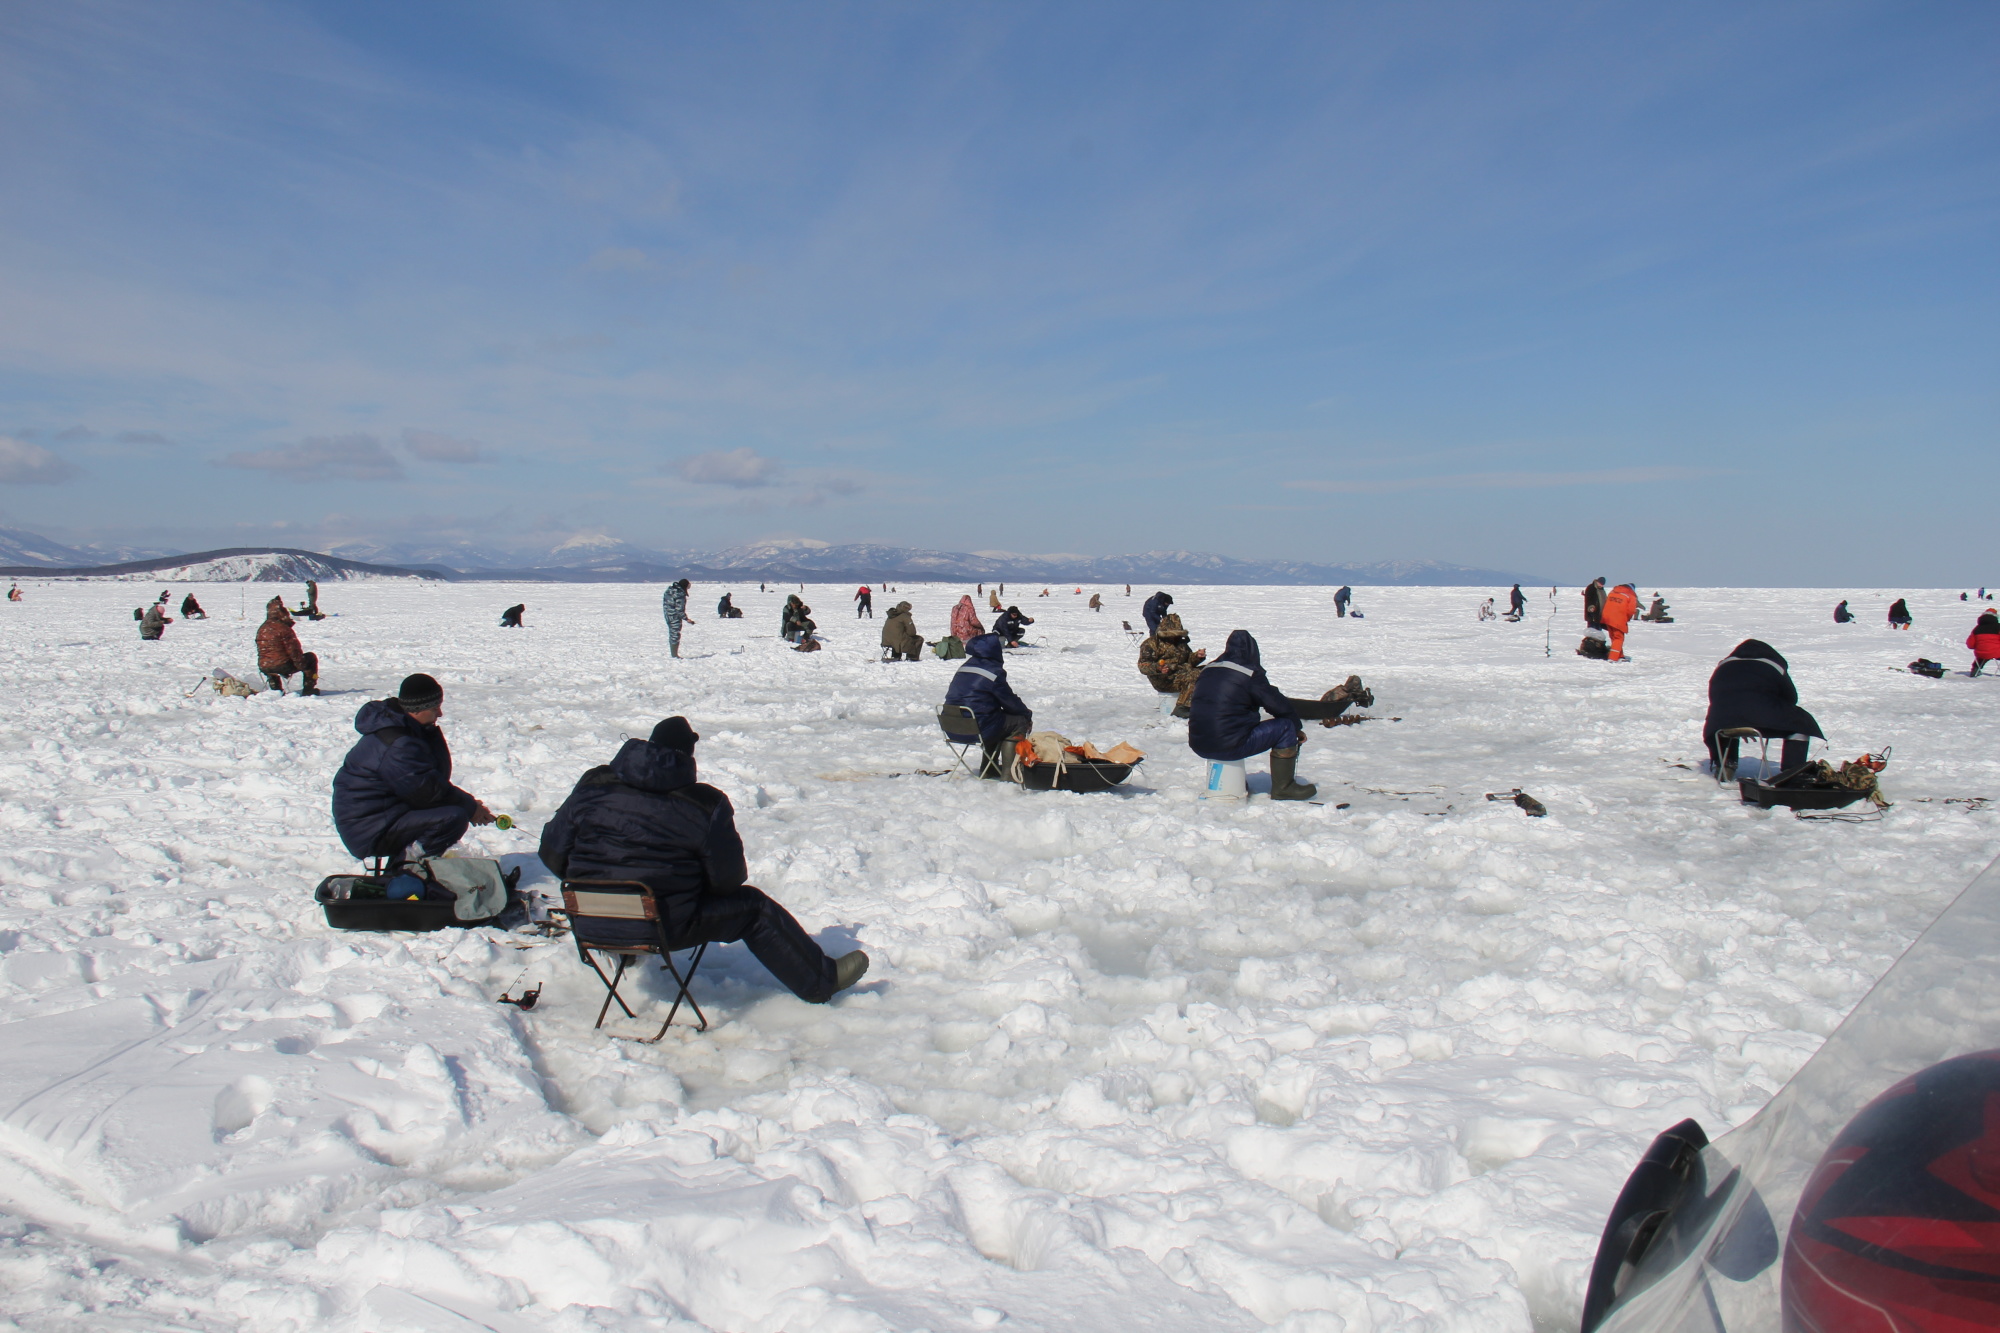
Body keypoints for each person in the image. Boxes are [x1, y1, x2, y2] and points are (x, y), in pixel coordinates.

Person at [538, 717, 867, 1003]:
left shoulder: (593, 785)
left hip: (588, 920)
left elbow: (551, 853)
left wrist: (600, 885)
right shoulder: (704, 804)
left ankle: (624, 944)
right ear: (687, 757)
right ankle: (821, 982)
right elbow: (728, 880)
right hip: (662, 925)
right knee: (753, 907)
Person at [332, 673, 495, 865]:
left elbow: (431, 781)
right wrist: (469, 807)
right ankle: (406, 872)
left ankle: (409, 868)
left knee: (450, 810)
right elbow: (427, 792)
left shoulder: (405, 729)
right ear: (418, 710)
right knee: (452, 818)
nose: (440, 714)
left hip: (382, 816)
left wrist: (468, 804)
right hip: (370, 828)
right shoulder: (399, 744)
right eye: (435, 708)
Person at [1187, 631, 1352, 801]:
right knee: (1285, 727)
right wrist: (1296, 728)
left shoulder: (1208, 670)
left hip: (1199, 742)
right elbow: (1277, 704)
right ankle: (1284, 788)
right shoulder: (1247, 673)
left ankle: (1229, 781)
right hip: (1228, 744)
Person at [1703, 640, 1823, 778]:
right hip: (1762, 716)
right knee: (1801, 723)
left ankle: (1725, 765)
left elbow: (1716, 697)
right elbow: (1791, 698)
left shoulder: (1723, 666)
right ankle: (1792, 772)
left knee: (1727, 715)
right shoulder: (1774, 665)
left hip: (1719, 722)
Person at [943, 633, 1033, 775]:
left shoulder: (965, 667)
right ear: (994, 650)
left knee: (994, 720)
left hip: (951, 725)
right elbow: (1009, 700)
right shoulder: (992, 671)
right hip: (976, 728)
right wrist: (1026, 714)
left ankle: (989, 770)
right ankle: (1010, 774)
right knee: (1017, 721)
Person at [1138, 612, 1207, 715]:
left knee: (1208, 671)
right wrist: (1158, 668)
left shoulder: (1180, 643)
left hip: (1181, 673)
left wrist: (1197, 656)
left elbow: (1188, 660)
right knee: (1193, 675)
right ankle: (1182, 709)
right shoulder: (1151, 644)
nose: (1174, 638)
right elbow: (1143, 666)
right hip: (1164, 679)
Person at [257, 596, 320, 694]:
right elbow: (294, 651)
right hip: (283, 665)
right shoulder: (283, 628)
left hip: (264, 666)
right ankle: (309, 689)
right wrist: (301, 665)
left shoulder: (262, 629)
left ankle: (275, 690)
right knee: (311, 657)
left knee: (271, 663)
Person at [1602, 583, 1638, 661]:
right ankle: (1613, 658)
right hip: (1618, 618)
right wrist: (1627, 618)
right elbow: (1631, 610)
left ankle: (1620, 656)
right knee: (1618, 638)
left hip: (1607, 617)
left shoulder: (1613, 592)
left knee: (1613, 637)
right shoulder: (1631, 595)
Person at [661, 579, 691, 657]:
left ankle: (674, 654)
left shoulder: (669, 590)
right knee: (675, 635)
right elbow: (679, 610)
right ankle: (674, 655)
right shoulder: (680, 594)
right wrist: (686, 619)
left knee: (672, 634)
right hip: (674, 617)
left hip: (667, 615)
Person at [1968, 609, 2000, 677]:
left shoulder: (1977, 628)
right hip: (1997, 652)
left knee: (1981, 657)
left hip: (1981, 653)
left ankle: (1975, 670)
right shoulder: (1998, 627)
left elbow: (1970, 645)